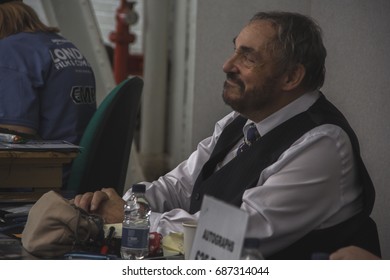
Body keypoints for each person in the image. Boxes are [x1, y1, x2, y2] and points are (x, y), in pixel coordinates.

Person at [74, 11, 380, 259]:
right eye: (235, 50)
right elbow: (179, 185)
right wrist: (125, 206)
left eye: (248, 58)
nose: (227, 65)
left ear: (291, 77)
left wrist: (132, 221)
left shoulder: (322, 145)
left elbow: (236, 236)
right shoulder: (241, 121)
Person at [0, 0, 96, 145]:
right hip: (76, 158)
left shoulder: (10, 51)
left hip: (44, 162)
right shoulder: (62, 43)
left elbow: (15, 135)